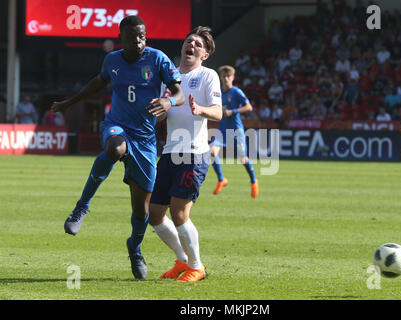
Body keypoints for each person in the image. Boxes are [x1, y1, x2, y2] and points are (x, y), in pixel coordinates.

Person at [51, 16, 185, 280]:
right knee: (115, 148)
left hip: (146, 140)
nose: (138, 41)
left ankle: (134, 248)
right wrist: (70, 102)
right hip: (117, 126)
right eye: (133, 37)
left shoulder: (157, 58)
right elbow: (98, 83)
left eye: (142, 36)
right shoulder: (112, 61)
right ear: (121, 38)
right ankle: (82, 206)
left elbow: (178, 92)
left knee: (141, 211)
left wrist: (170, 102)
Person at [148, 26, 222, 282]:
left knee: (179, 212)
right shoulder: (169, 78)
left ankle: (197, 266)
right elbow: (162, 110)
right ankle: (182, 260)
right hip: (169, 152)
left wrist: (200, 109)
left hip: (194, 153)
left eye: (198, 44)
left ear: (205, 55)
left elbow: (218, 112)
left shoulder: (207, 75)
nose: (191, 45)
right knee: (155, 214)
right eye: (189, 41)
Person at [210, 65, 259, 198]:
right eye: (223, 76)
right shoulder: (218, 93)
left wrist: (233, 111)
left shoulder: (236, 92)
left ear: (232, 78)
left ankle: (254, 181)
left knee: (243, 158)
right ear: (220, 78)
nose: (226, 78)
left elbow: (248, 107)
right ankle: (221, 179)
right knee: (212, 152)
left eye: (228, 76)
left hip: (236, 130)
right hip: (222, 129)